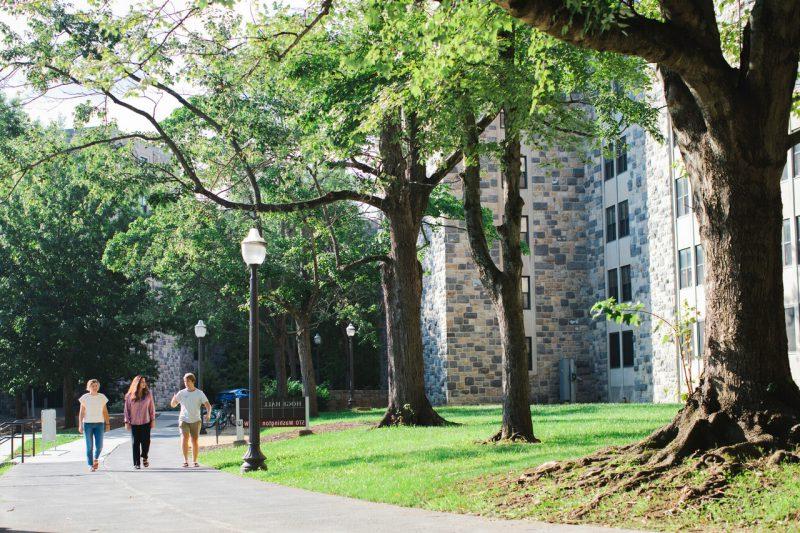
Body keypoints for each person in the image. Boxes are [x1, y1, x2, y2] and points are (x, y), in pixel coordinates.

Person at [170, 373, 211, 468]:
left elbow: (208, 405)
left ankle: (195, 461)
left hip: (196, 420)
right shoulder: (181, 393)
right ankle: (185, 460)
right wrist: (173, 399)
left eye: (188, 381)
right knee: (185, 439)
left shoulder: (199, 393)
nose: (186, 383)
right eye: (185, 381)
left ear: (193, 381)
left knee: (195, 440)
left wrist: (208, 414)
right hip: (184, 419)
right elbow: (173, 405)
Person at [124, 375, 156, 470]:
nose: (144, 383)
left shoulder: (148, 394)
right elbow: (126, 410)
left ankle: (145, 456)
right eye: (142, 382)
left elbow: (152, 408)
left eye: (144, 382)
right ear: (137, 383)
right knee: (135, 443)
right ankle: (136, 463)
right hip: (134, 423)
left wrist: (153, 420)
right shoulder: (129, 396)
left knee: (146, 442)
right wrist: (126, 421)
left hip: (146, 421)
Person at [78, 379, 110, 472]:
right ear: (89, 387)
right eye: (93, 386)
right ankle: (90, 464)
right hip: (87, 424)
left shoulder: (102, 397)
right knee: (89, 446)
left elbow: (105, 411)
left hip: (99, 424)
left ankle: (96, 459)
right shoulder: (84, 397)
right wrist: (80, 425)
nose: (95, 387)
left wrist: (107, 423)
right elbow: (81, 412)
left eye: (96, 386)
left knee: (99, 446)